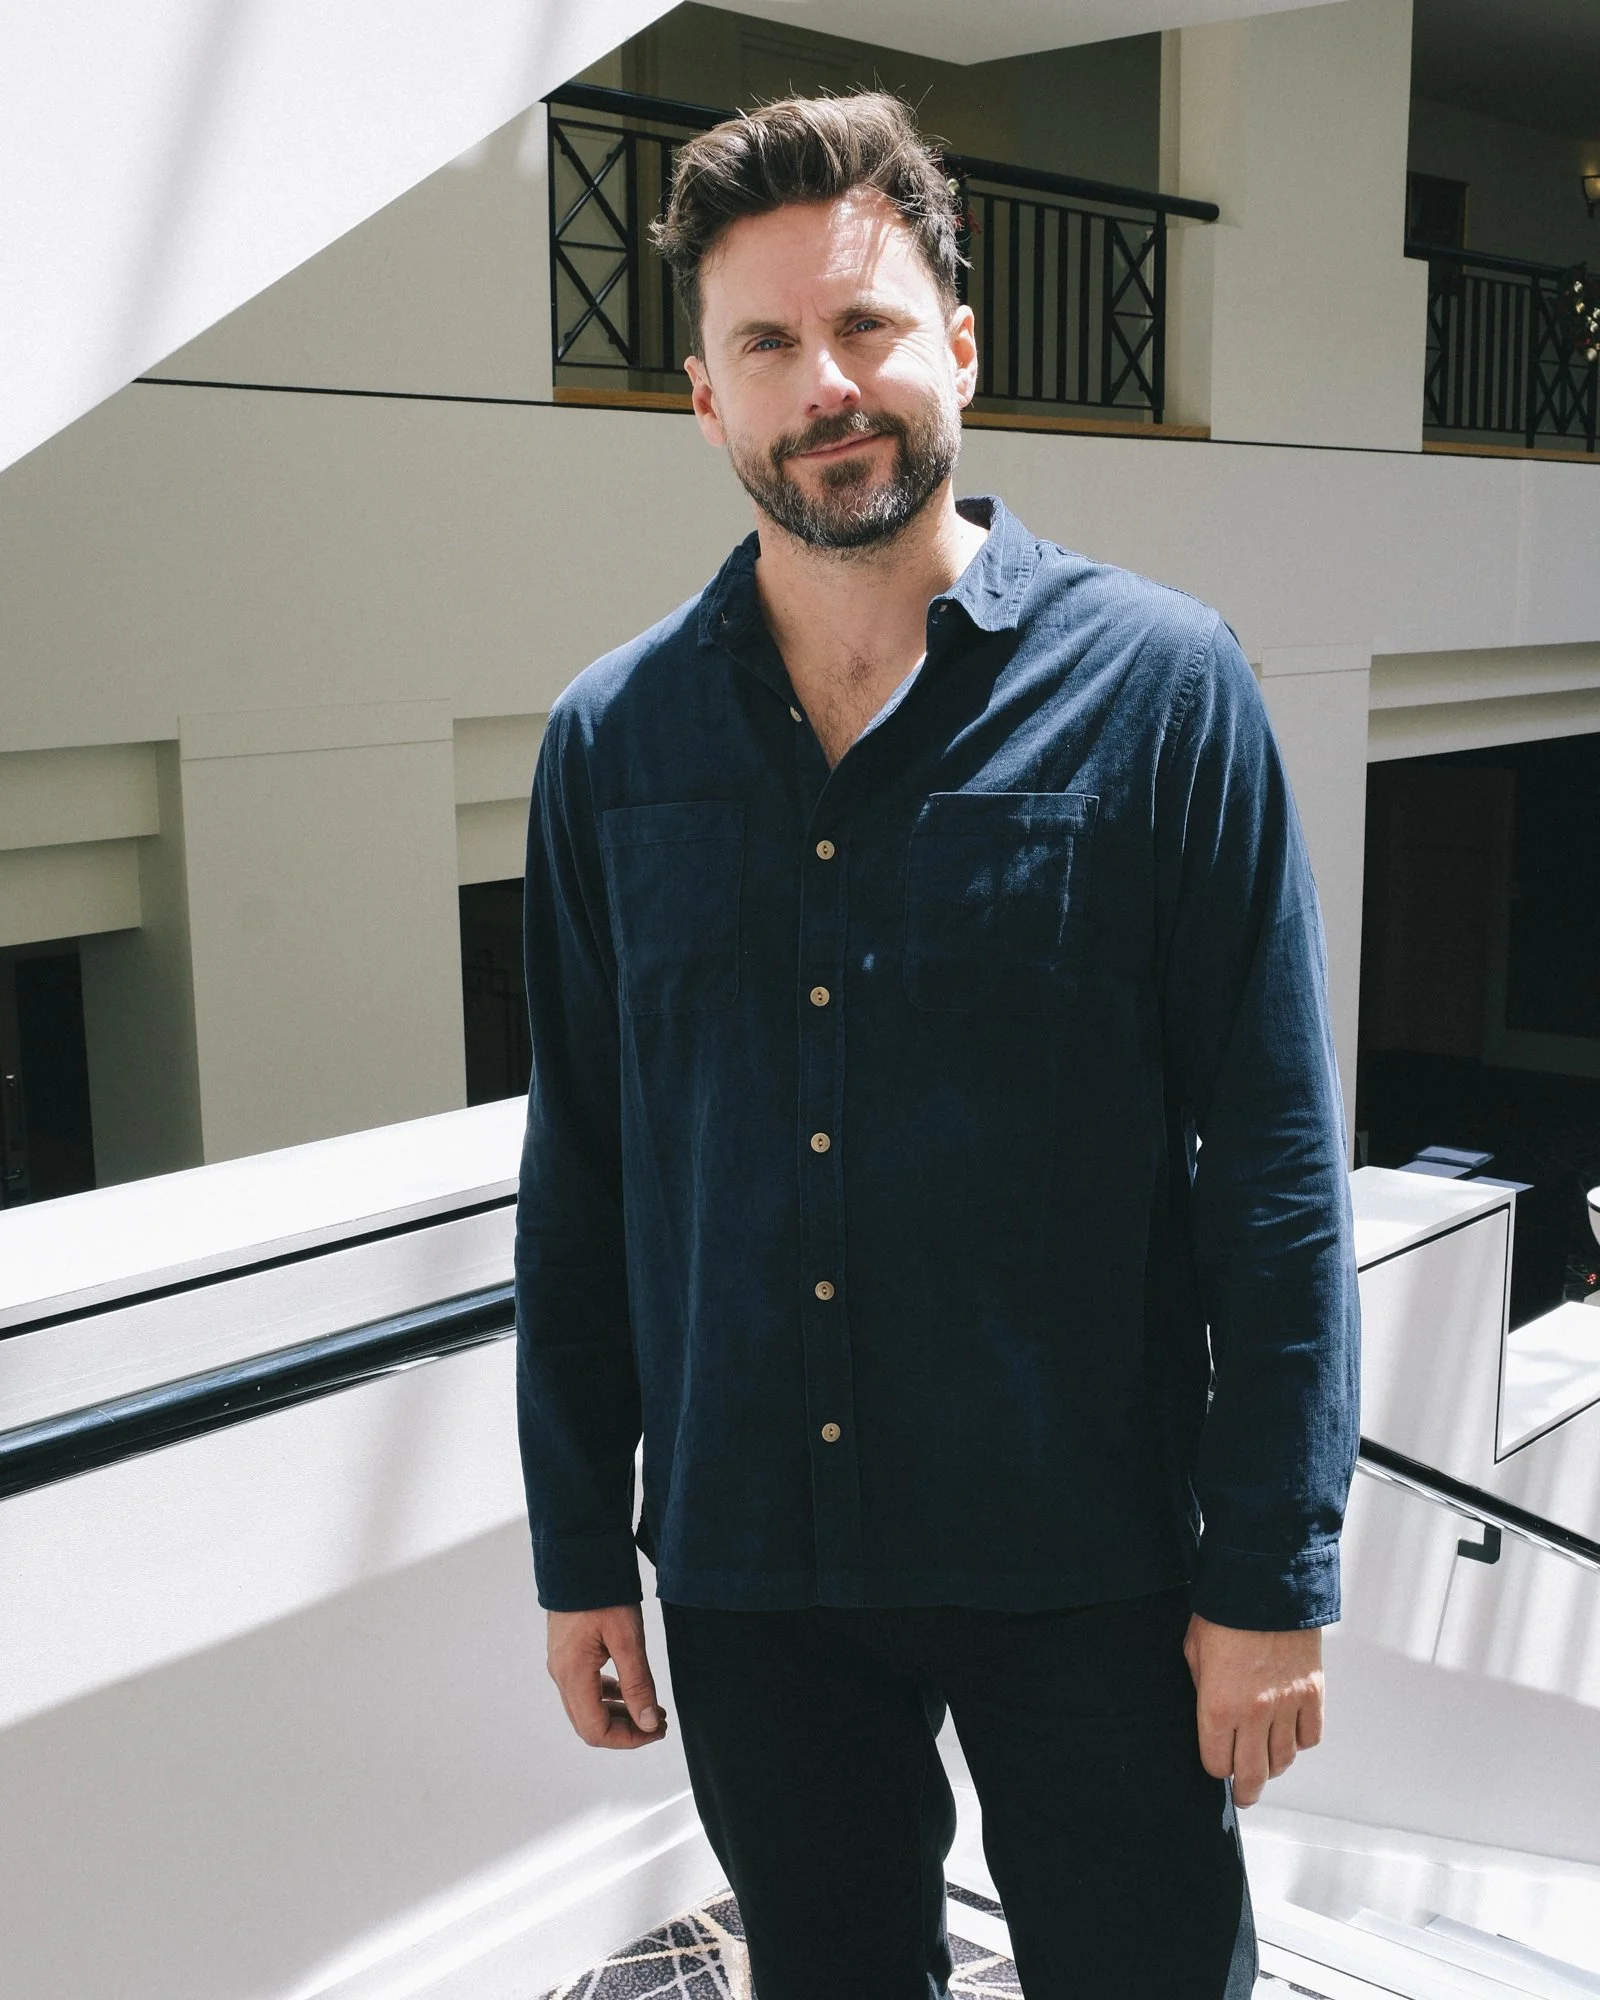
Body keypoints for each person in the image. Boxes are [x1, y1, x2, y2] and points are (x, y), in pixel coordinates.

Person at [514, 91, 1359, 2000]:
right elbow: (584, 1174)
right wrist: (584, 1547)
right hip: (751, 1566)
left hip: (1093, 1562)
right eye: (768, 345)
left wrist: (1269, 1583)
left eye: (869, 326)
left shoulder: (1164, 690)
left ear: (959, 349)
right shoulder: (609, 746)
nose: (830, 384)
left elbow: (1280, 1174)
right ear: (707, 406)